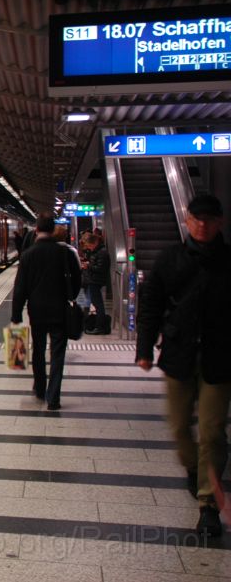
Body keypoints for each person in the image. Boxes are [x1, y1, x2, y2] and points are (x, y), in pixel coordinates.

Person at [136, 193, 231, 538]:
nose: (203, 225)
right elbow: (150, 306)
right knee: (179, 429)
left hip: (220, 360)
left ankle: (208, 505)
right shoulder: (170, 260)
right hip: (179, 356)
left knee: (212, 432)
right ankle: (194, 468)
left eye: (209, 219)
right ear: (187, 221)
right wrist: (144, 348)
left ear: (220, 222)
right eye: (197, 218)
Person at [11, 214, 82, 410]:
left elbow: (20, 287)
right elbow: (77, 279)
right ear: (52, 231)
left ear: (36, 230)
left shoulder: (28, 255)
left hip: (37, 312)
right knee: (58, 354)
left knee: (39, 351)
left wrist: (16, 315)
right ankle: (54, 398)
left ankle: (40, 389)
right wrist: (70, 297)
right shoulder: (65, 253)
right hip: (60, 311)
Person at [82, 234, 111, 334]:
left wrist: (88, 266)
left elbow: (100, 268)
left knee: (98, 304)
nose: (89, 247)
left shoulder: (102, 253)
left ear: (95, 242)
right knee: (97, 303)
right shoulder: (97, 252)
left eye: (90, 245)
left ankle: (100, 327)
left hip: (96, 281)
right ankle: (99, 326)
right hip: (93, 280)